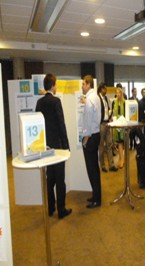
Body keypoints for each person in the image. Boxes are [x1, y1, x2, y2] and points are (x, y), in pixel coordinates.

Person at [35, 73, 72, 219]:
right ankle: (61, 209)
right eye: (56, 85)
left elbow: (37, 123)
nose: (56, 87)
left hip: (45, 146)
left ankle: (50, 207)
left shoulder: (39, 102)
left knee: (49, 178)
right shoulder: (56, 101)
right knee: (60, 179)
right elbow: (61, 124)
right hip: (58, 147)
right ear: (52, 86)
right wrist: (66, 145)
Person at [80, 75, 102, 208]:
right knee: (95, 168)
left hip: (91, 136)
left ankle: (97, 199)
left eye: (83, 84)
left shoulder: (89, 100)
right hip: (96, 134)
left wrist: (86, 137)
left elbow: (88, 120)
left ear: (88, 85)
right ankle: (96, 195)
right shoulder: (96, 97)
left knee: (92, 169)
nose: (82, 86)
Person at [97, 82, 118, 172]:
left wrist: (109, 115)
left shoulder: (105, 98)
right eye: (104, 89)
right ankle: (103, 165)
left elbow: (108, 108)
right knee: (101, 146)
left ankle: (111, 164)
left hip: (107, 123)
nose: (106, 91)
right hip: (101, 124)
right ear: (101, 89)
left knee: (109, 144)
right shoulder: (97, 98)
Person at [112, 87, 125, 168]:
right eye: (117, 93)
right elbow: (113, 113)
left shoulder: (124, 102)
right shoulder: (114, 102)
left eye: (119, 93)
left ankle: (122, 159)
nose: (118, 94)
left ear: (121, 93)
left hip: (123, 124)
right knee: (119, 143)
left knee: (121, 143)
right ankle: (121, 159)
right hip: (117, 124)